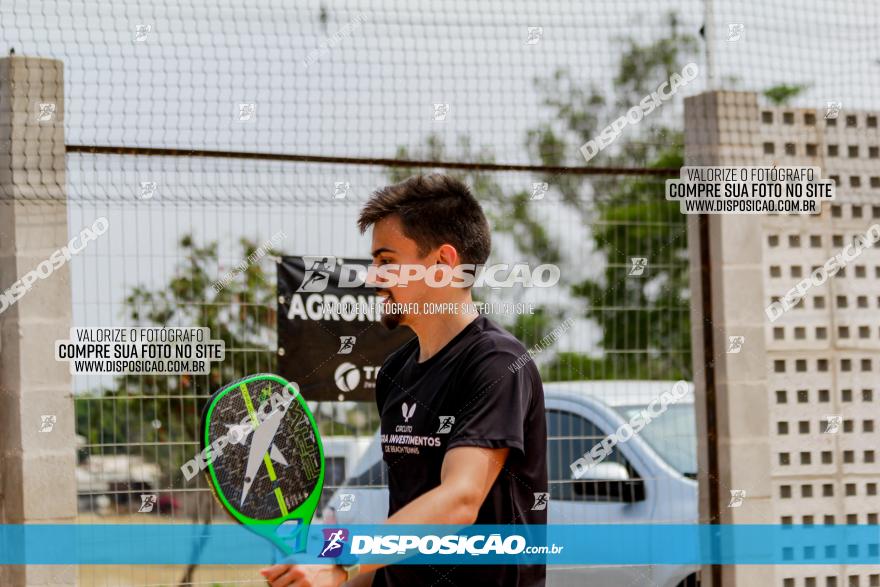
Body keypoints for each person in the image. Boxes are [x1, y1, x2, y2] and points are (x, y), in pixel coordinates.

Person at [261, 174, 548, 586]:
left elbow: (460, 500)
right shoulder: (396, 371)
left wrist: (337, 557)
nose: (373, 277)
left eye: (386, 261)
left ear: (443, 264)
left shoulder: (497, 362)